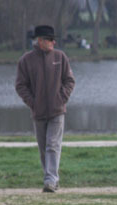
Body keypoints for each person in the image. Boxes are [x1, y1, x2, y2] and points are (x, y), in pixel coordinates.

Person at [15, 25, 75, 193]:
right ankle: (51, 178)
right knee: (43, 149)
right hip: (38, 113)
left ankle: (50, 180)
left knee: (52, 145)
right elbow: (20, 86)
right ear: (40, 40)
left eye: (53, 39)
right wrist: (33, 102)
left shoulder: (60, 57)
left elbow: (69, 81)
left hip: (57, 111)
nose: (53, 42)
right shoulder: (26, 60)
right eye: (50, 39)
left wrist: (62, 98)